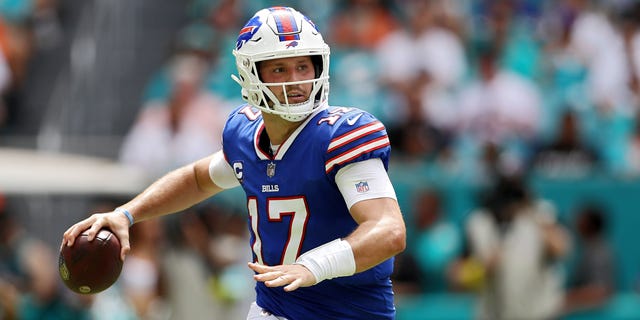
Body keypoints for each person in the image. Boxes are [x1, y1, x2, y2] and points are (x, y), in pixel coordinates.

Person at [61, 6, 406, 320]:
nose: (297, 80)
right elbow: (198, 179)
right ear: (252, 75)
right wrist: (126, 214)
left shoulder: (340, 135)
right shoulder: (246, 136)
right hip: (273, 310)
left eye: (303, 65)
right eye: (280, 69)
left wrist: (313, 266)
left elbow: (389, 231)